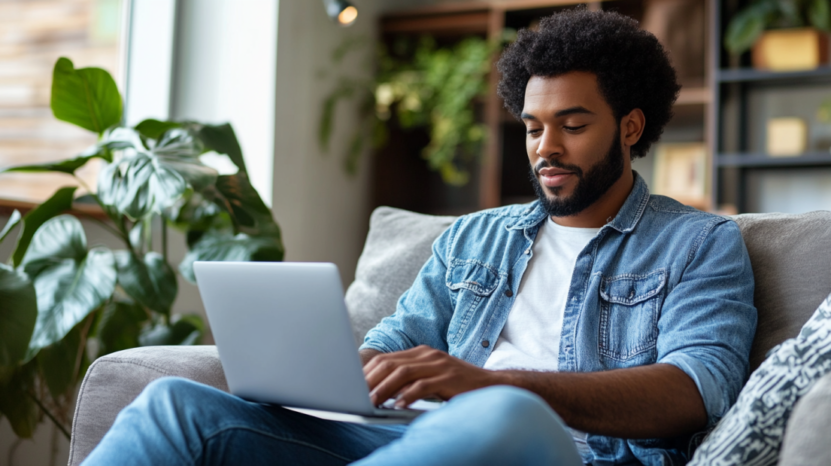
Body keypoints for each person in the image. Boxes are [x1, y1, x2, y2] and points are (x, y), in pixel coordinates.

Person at [82, 8, 756, 466]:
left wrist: (488, 386)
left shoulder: (698, 243)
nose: (544, 147)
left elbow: (693, 390)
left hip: (558, 448)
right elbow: (393, 346)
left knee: (503, 416)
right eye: (531, 126)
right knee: (177, 403)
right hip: (415, 438)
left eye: (572, 125)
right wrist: (338, 375)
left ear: (630, 128)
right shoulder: (473, 238)